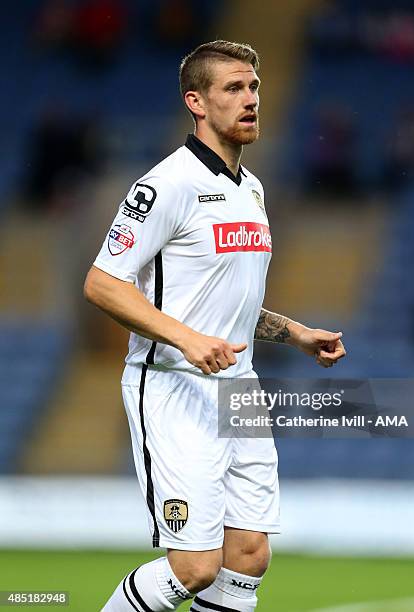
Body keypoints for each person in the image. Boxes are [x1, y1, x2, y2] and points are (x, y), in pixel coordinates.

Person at [84, 40, 346, 612]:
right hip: (175, 385)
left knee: (249, 554)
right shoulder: (167, 185)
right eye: (233, 88)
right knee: (195, 567)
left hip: (239, 388)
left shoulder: (251, 190)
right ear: (196, 102)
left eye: (253, 87)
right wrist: (186, 338)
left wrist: (298, 334)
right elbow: (103, 283)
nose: (250, 99)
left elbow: (227, 305)